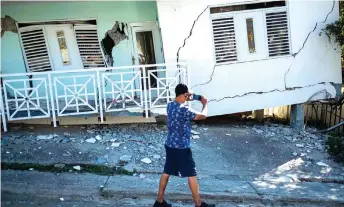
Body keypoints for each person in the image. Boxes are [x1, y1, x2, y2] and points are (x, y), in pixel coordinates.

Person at [153, 84, 215, 207]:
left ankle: (159, 201)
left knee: (167, 172)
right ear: (183, 95)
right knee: (191, 174)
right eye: (186, 95)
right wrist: (205, 104)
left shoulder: (170, 105)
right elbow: (203, 116)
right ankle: (198, 204)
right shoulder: (184, 110)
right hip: (182, 148)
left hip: (170, 145)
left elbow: (183, 99)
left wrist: (194, 96)